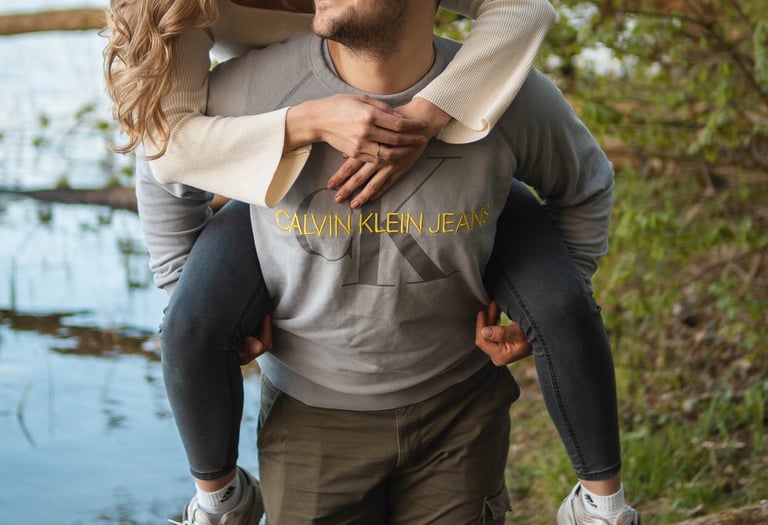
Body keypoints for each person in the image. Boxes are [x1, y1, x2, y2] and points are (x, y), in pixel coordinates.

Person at [132, 1, 642, 523]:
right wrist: (199, 304)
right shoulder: (248, 88)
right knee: (188, 325)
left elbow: (584, 185)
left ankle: (601, 506)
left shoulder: (507, 90)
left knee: (559, 299)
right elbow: (163, 161)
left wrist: (543, 308)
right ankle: (218, 502)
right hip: (311, 421)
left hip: (459, 412)